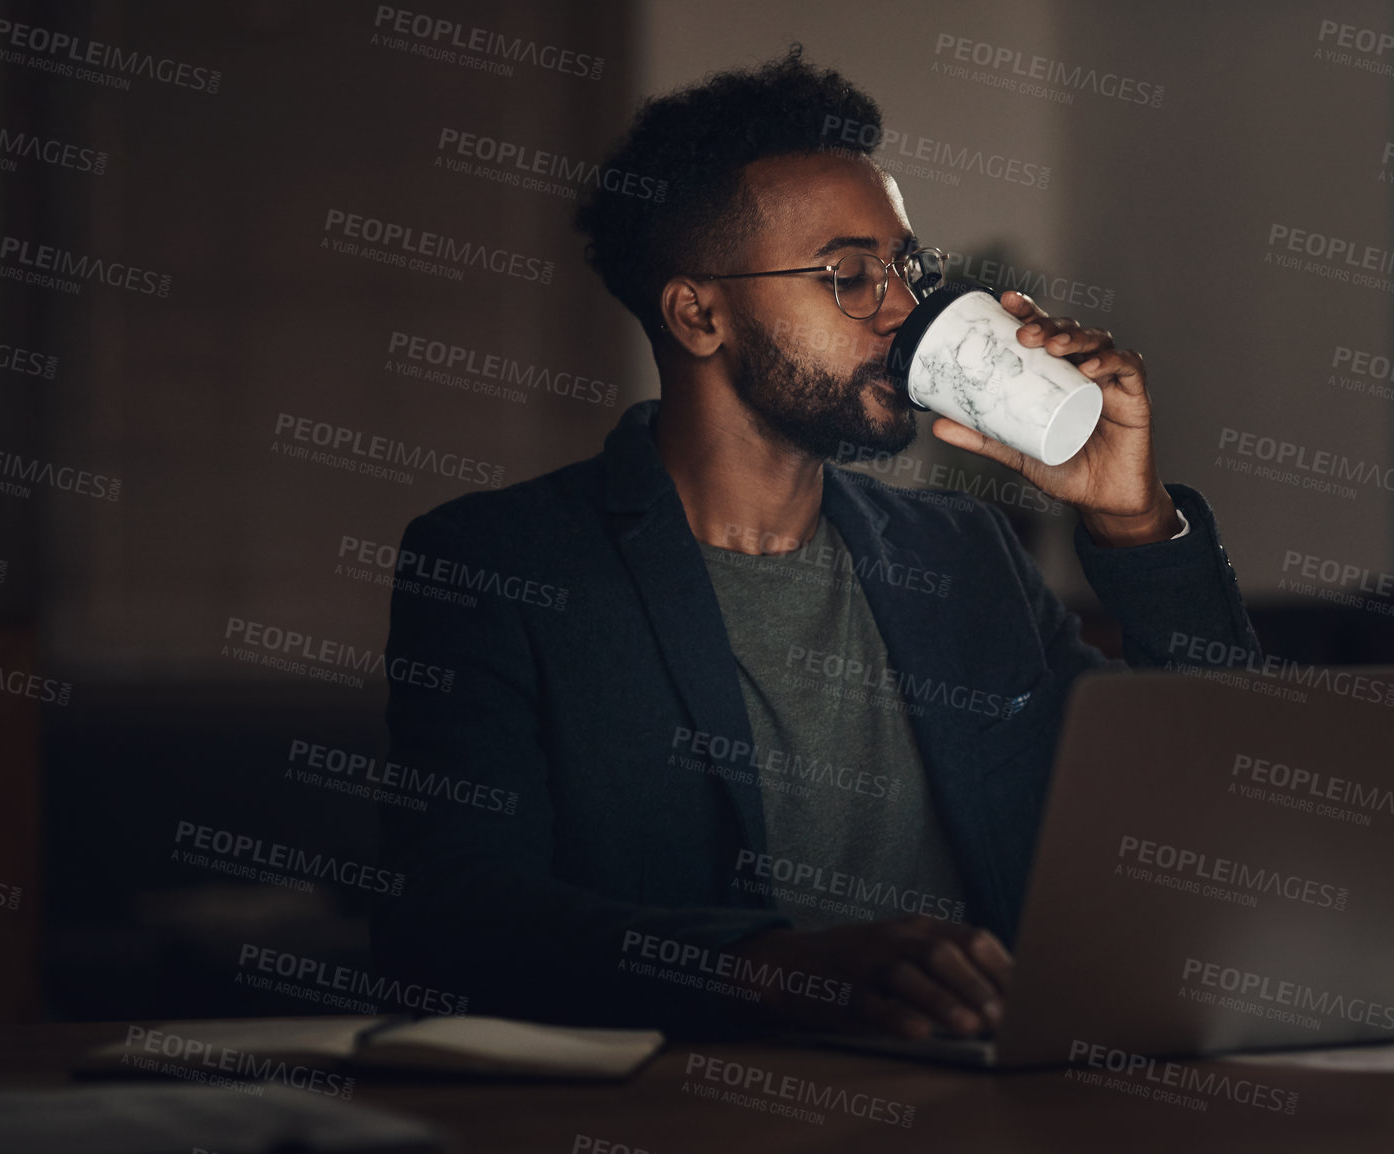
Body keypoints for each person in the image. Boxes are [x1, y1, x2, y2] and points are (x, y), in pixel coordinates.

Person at [373, 46, 1258, 1041]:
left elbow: (1207, 812)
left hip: (996, 1110)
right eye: (848, 276)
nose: (903, 307)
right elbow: (453, 915)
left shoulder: (963, 553)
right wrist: (774, 968)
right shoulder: (504, 564)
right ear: (698, 313)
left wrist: (1132, 522)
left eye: (906, 268)